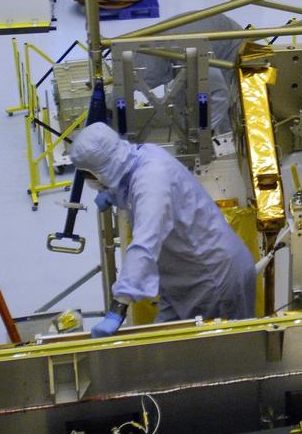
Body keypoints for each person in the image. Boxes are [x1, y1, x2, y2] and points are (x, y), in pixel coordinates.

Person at [71, 122, 255, 336]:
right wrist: (113, 195)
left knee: (220, 359)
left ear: (104, 169)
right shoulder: (140, 156)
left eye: (89, 176)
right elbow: (129, 183)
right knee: (162, 347)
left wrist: (118, 307)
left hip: (213, 279)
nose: (90, 182)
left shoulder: (151, 181)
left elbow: (144, 244)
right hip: (180, 282)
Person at [130, 13, 243, 133]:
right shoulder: (155, 52)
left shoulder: (189, 50)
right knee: (186, 89)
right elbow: (177, 90)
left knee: (224, 103)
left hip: (230, 48)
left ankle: (227, 143)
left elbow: (219, 94)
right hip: (205, 37)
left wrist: (204, 131)